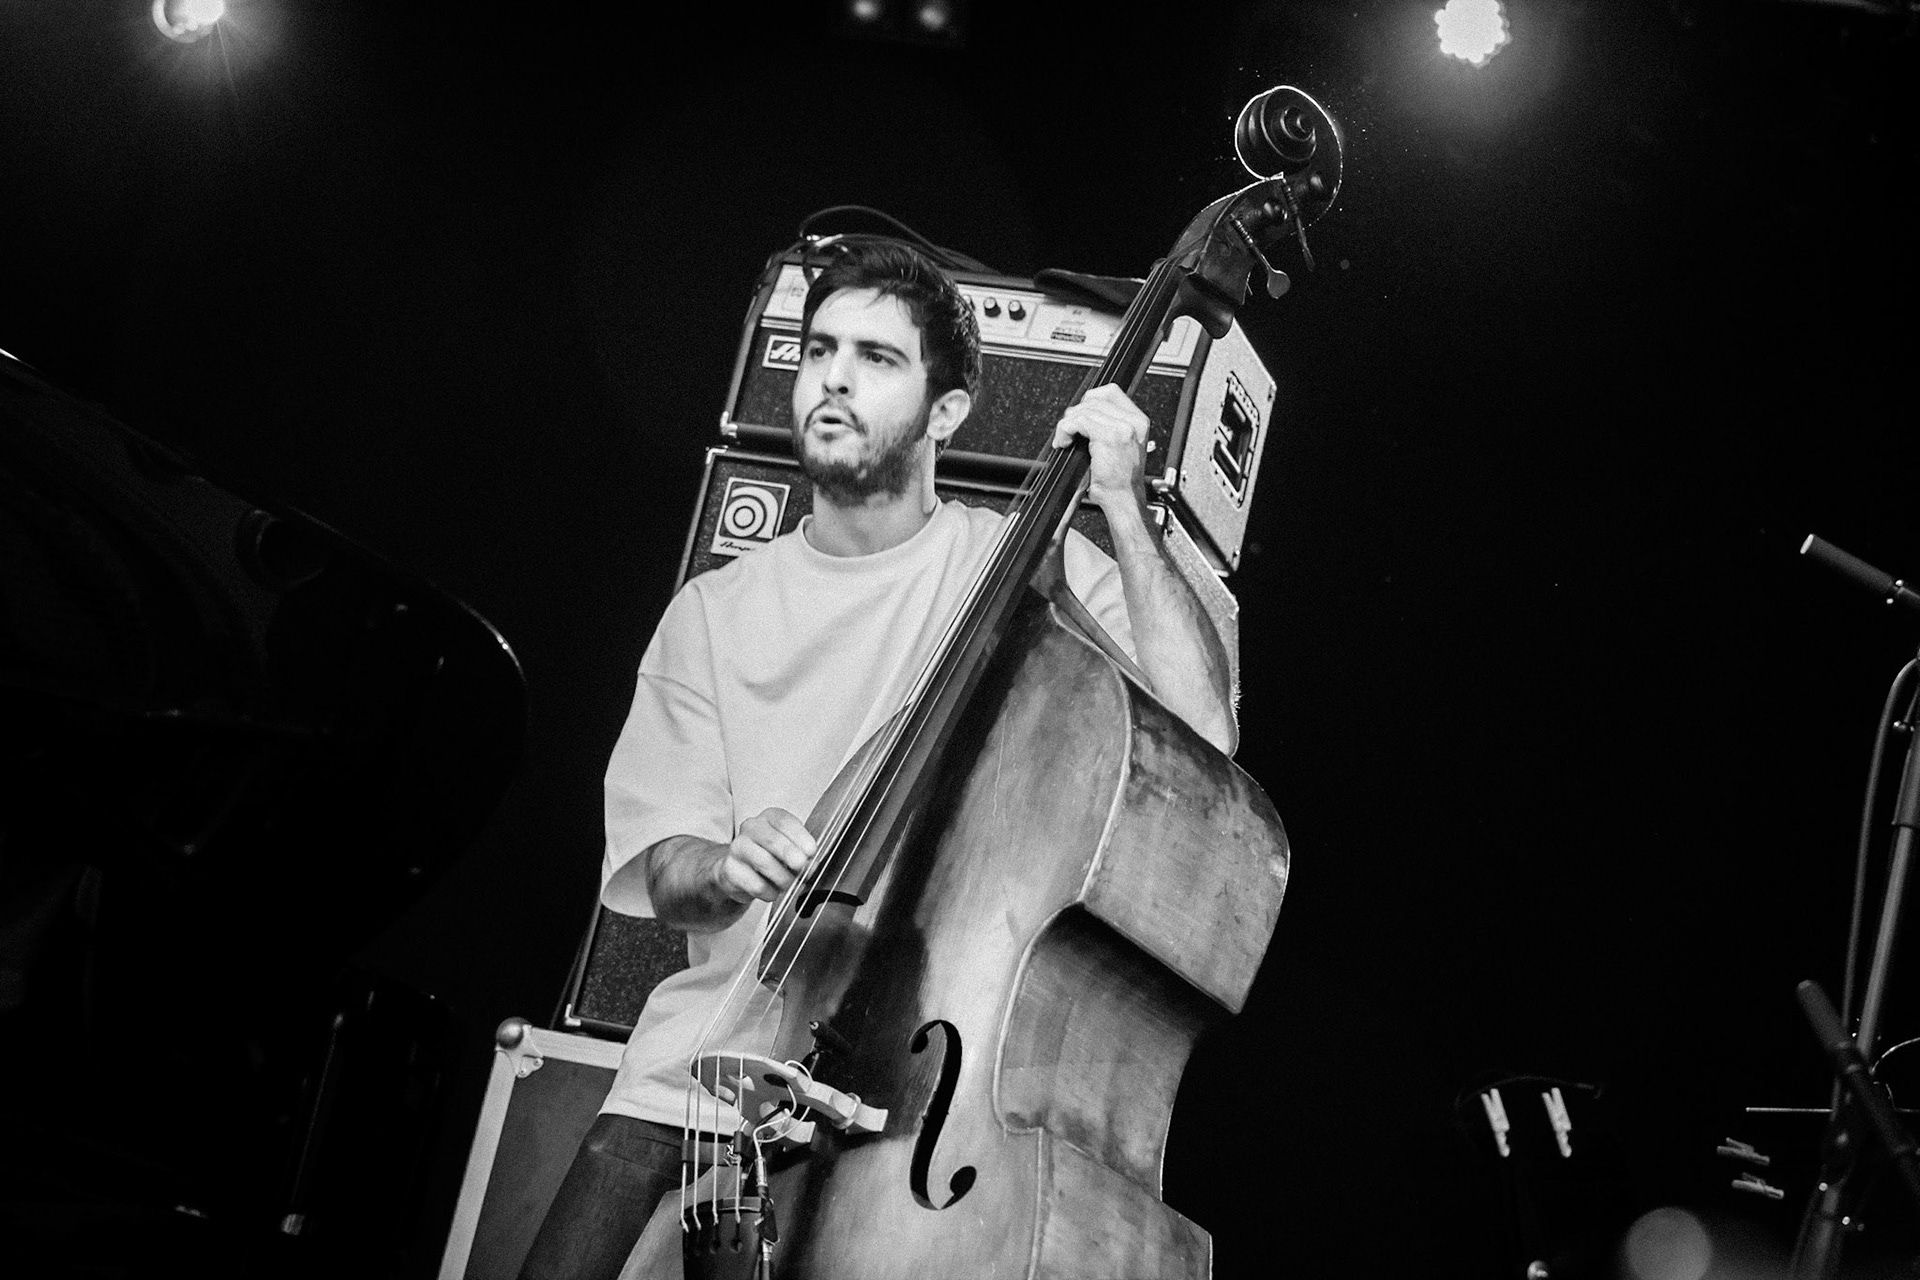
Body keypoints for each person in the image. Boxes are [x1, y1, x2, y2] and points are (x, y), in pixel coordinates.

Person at [517, 240, 1236, 1279]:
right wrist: (721, 865)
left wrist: (1122, 501)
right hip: (701, 1071)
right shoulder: (714, 612)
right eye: (819, 350)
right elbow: (661, 870)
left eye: (876, 357)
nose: (835, 377)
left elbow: (1202, 733)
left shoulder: (1020, 568)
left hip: (904, 1094)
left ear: (947, 411)